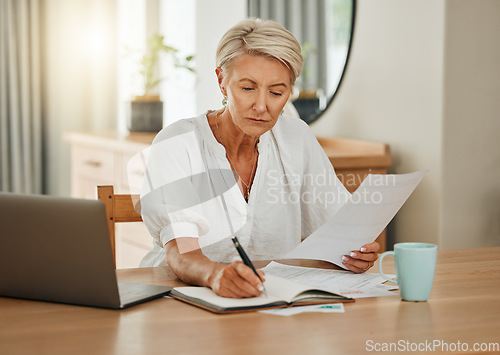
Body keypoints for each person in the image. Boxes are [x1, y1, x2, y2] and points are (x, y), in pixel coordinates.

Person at [139, 18, 379, 298]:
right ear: (221, 81)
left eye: (277, 92)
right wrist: (216, 274)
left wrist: (353, 252)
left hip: (269, 300)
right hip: (175, 297)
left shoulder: (296, 137)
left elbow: (340, 228)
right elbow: (181, 251)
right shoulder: (177, 143)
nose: (262, 106)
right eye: (248, 88)